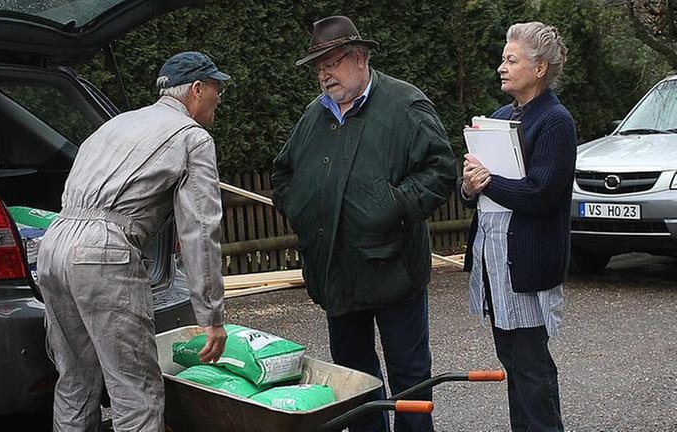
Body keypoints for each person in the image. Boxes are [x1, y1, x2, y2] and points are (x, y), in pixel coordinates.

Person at [272, 16, 457, 432]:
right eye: (318, 68)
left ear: (359, 58)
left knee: (410, 376)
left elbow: (441, 169)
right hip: (338, 272)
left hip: (394, 268)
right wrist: (302, 208)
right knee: (354, 379)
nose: (324, 75)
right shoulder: (314, 116)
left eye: (331, 64)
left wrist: (391, 206)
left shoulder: (404, 105)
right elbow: (282, 174)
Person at [36, 51, 229, 432]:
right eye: (216, 89)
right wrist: (211, 316)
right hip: (103, 254)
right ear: (196, 89)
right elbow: (200, 230)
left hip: (54, 245)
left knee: (75, 381)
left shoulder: (115, 125)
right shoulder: (192, 138)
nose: (218, 99)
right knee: (135, 392)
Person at [460, 22, 575, 431]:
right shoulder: (499, 118)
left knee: (531, 367)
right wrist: (470, 185)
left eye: (511, 60)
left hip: (525, 261)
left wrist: (489, 180)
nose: (501, 68)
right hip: (496, 262)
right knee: (513, 362)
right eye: (502, 59)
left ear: (540, 67)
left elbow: (542, 194)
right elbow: (476, 186)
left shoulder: (556, 122)